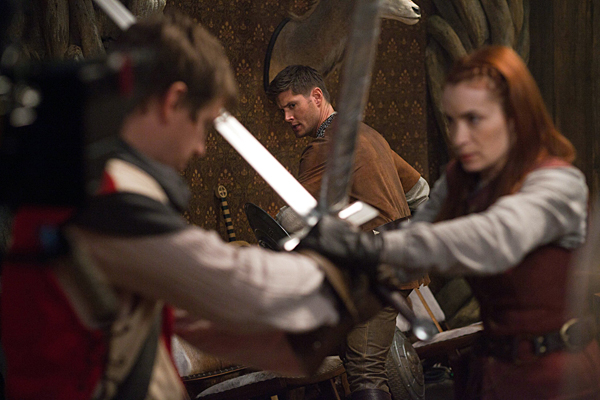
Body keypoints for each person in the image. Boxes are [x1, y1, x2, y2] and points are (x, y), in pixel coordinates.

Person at [0, 12, 384, 400]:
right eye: (201, 123)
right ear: (173, 102)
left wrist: (321, 314)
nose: (200, 147)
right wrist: (355, 265)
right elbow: (235, 281)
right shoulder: (107, 200)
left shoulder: (101, 190)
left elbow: (204, 320)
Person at [298, 45, 600, 399]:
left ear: (515, 115)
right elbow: (414, 243)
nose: (458, 138)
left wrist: (371, 246)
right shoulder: (463, 178)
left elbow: (494, 236)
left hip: (561, 379)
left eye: (474, 119)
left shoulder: (559, 183)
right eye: (452, 120)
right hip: (491, 377)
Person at [267, 65, 430, 400]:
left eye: (292, 105)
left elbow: (291, 221)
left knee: (364, 371)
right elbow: (421, 192)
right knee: (363, 365)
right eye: (282, 110)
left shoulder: (326, 147)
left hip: (372, 275)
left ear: (316, 97)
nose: (286, 117)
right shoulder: (367, 133)